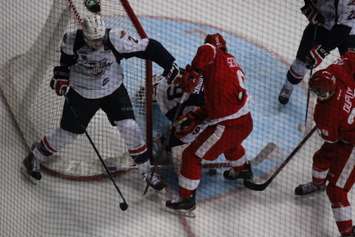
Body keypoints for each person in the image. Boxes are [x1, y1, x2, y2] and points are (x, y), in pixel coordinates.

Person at [21, 14, 181, 191]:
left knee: (130, 127)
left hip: (113, 90)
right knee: (68, 134)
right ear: (85, 35)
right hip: (82, 94)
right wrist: (60, 80)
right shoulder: (71, 41)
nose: (98, 43)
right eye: (93, 40)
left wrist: (170, 64)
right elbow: (63, 67)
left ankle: (146, 171)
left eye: (100, 38)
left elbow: (150, 46)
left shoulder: (115, 38)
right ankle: (35, 156)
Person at [165, 33, 254, 213]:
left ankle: (187, 197)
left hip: (227, 125)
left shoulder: (211, 52)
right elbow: (221, 101)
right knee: (230, 145)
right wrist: (198, 115)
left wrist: (194, 72)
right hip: (244, 121)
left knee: (191, 155)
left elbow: (207, 50)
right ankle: (242, 169)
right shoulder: (231, 62)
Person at [294, 51, 355, 237]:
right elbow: (352, 57)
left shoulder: (324, 115)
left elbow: (331, 139)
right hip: (345, 133)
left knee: (336, 190)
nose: (320, 95)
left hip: (351, 143)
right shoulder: (337, 71)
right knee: (321, 157)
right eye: (317, 92)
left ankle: (348, 233)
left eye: (322, 92)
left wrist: (325, 126)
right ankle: (317, 184)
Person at [278, 0, 355, 105]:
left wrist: (321, 52)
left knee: (353, 70)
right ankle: (288, 86)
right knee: (301, 62)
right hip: (322, 25)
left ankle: (348, 105)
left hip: (349, 31)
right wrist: (310, 9)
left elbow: (343, 30)